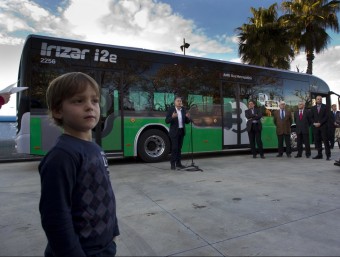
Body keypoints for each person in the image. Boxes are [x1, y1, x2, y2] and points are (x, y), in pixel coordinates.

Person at [38, 72, 119, 256]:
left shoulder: (95, 148)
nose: (90, 107)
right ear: (58, 110)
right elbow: (55, 216)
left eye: (95, 101)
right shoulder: (62, 155)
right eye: (78, 101)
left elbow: (106, 194)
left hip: (105, 246)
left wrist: (113, 231)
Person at [165, 96, 190, 170]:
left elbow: (187, 122)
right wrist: (172, 117)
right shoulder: (171, 110)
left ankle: (178, 164)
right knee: (174, 148)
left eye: (180, 101)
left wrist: (188, 117)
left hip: (181, 131)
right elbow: (167, 121)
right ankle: (172, 164)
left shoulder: (183, 110)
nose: (179, 102)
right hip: (174, 132)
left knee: (179, 148)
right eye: (178, 101)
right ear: (175, 102)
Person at [310, 95, 331, 160]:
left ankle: (328, 155)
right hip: (316, 127)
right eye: (318, 99)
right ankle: (319, 155)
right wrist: (314, 123)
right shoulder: (313, 108)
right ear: (316, 100)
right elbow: (311, 117)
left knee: (325, 141)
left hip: (323, 127)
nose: (319, 100)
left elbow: (327, 116)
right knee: (317, 141)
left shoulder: (325, 107)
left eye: (320, 99)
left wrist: (320, 123)